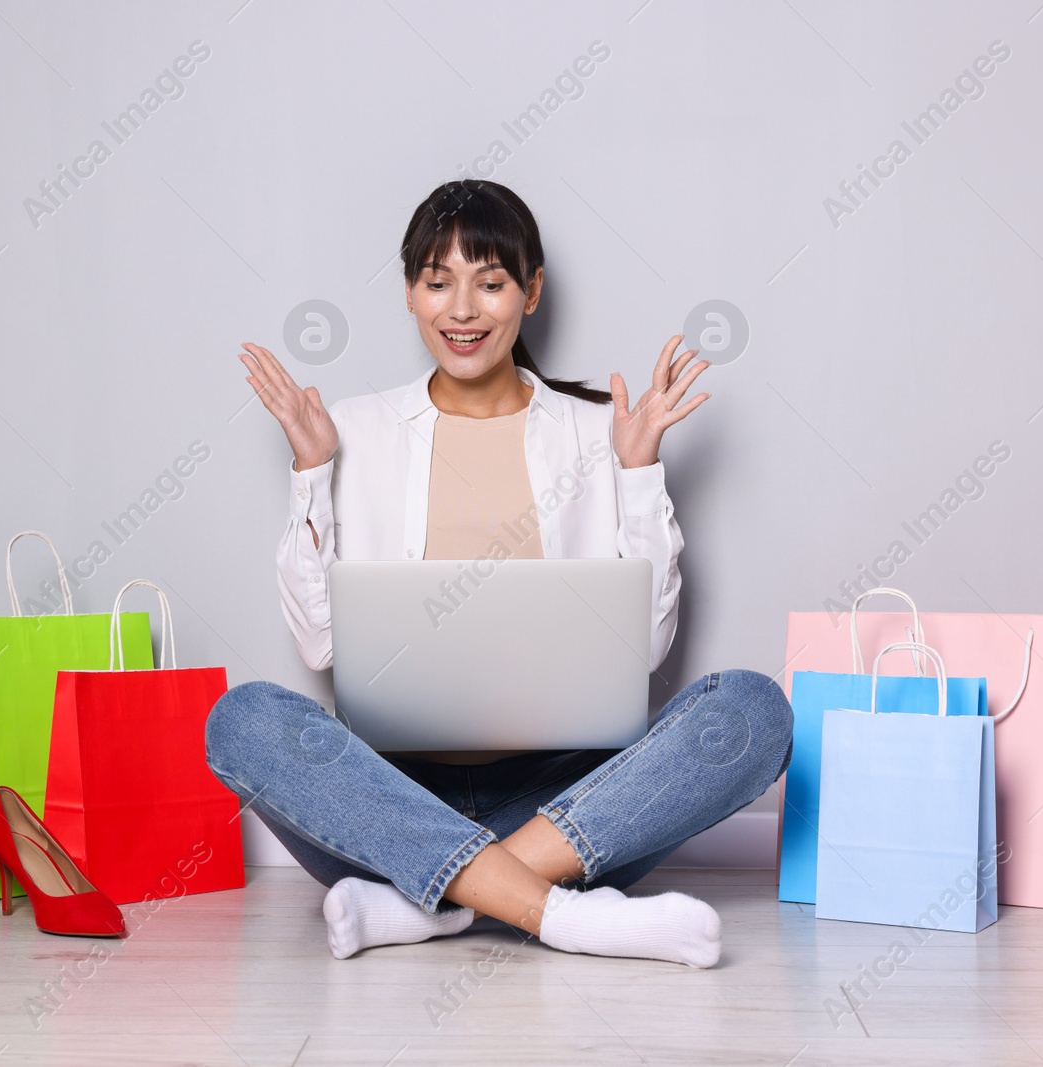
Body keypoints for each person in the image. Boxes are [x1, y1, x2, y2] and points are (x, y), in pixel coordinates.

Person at [205, 179, 792, 968]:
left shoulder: (598, 432)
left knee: (753, 710)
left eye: (490, 282)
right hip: (392, 799)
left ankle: (434, 902)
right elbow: (319, 644)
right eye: (437, 281)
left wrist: (638, 472)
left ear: (531, 290)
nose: (463, 309)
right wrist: (312, 471)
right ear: (410, 293)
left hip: (569, 802)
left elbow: (646, 648)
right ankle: (559, 912)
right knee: (239, 720)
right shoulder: (354, 429)